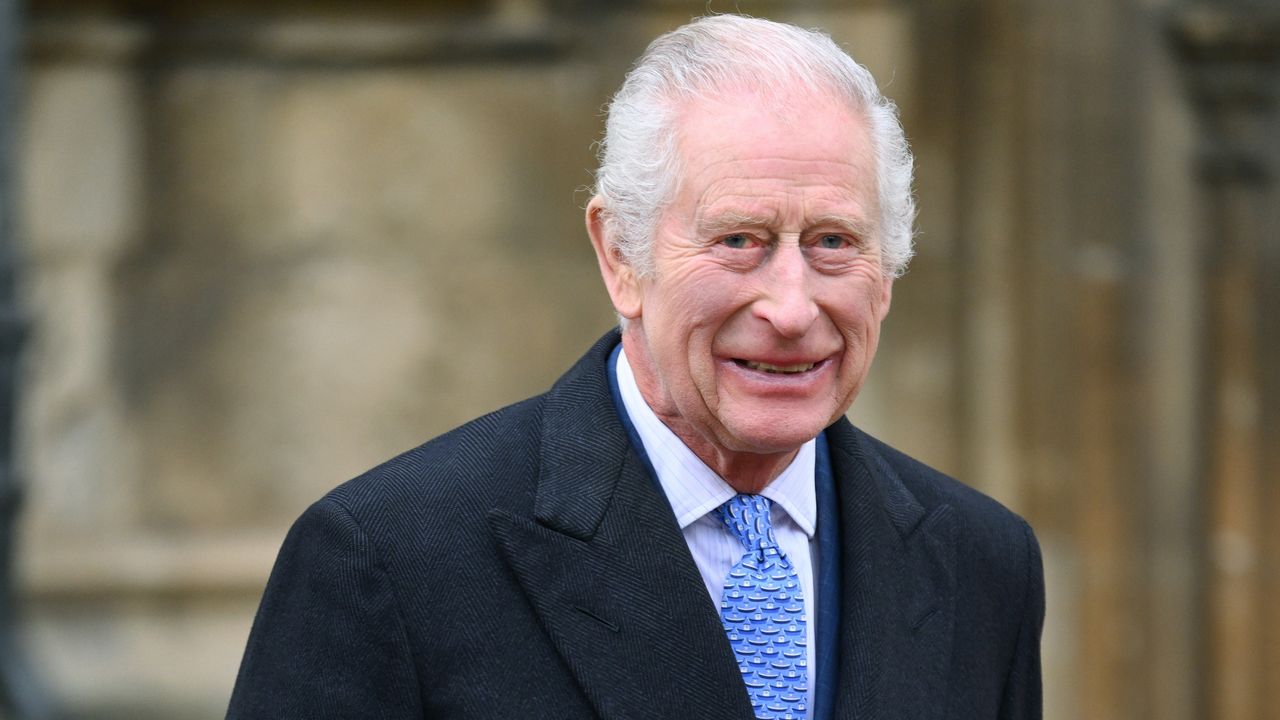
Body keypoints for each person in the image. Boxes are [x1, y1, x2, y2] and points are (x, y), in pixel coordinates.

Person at [227, 14, 1043, 720]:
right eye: (738, 241)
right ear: (621, 255)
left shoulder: (984, 564)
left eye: (833, 242)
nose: (792, 309)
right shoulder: (390, 558)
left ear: (888, 270)